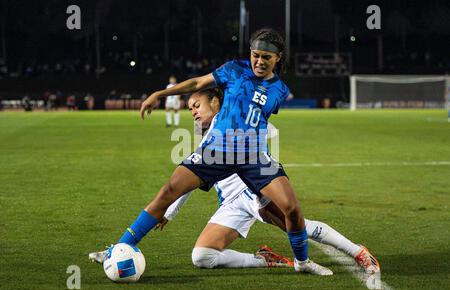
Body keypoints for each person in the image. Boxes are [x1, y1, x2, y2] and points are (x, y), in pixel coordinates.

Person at [91, 28, 331, 275]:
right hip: (217, 150)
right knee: (169, 191)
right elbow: (197, 83)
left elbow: (258, 119)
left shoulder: (279, 90)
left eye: (266, 58)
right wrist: (159, 94)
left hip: (253, 156)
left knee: (291, 208)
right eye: (255, 55)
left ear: (278, 57)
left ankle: (302, 263)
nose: (259, 61)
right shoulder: (234, 69)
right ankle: (120, 246)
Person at [154, 88, 379, 272]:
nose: (192, 111)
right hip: (231, 204)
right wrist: (169, 212)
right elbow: (189, 182)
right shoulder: (208, 135)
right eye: (190, 108)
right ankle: (264, 259)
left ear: (215, 102)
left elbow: (267, 128)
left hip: (253, 192)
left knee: (301, 227)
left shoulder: (232, 122)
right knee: (202, 256)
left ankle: (358, 252)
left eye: (197, 105)